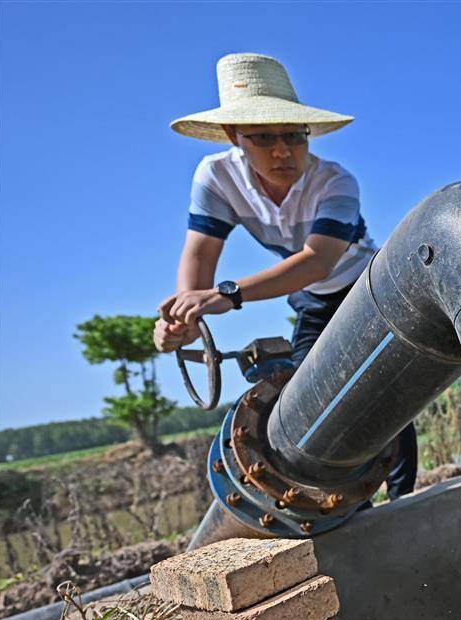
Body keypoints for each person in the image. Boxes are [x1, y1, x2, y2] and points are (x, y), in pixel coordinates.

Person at [152, 53, 417, 496]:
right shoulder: (216, 178)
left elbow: (318, 261)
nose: (282, 151)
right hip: (311, 299)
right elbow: (199, 256)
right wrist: (184, 320)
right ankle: (348, 501)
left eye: (294, 136)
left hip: (365, 288)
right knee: (310, 394)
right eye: (263, 138)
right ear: (233, 136)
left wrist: (228, 295)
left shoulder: (336, 183)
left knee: (381, 389)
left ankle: (401, 496)